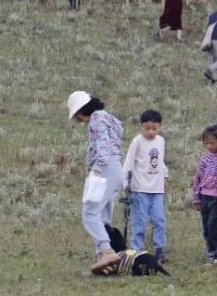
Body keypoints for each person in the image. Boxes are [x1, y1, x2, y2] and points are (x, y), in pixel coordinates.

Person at [68, 91, 124, 274]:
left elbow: (103, 146)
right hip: (116, 168)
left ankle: (106, 251)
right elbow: (117, 134)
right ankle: (106, 265)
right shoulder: (108, 117)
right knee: (103, 216)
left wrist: (97, 170)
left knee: (90, 213)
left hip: (105, 168)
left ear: (82, 111)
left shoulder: (96, 119)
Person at [123, 110, 169, 262]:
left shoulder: (160, 141)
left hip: (157, 189)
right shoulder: (137, 141)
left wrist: (165, 177)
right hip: (139, 188)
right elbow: (129, 162)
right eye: (147, 128)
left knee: (159, 220)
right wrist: (126, 183)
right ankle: (137, 250)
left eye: (154, 128)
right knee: (139, 221)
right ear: (141, 127)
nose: (150, 132)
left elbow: (161, 162)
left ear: (160, 127)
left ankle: (159, 250)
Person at [192, 124, 217, 265]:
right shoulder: (205, 159)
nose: (209, 146)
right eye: (206, 143)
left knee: (214, 224)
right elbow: (198, 178)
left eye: (212, 143)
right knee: (206, 227)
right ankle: (211, 252)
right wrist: (196, 198)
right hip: (204, 197)